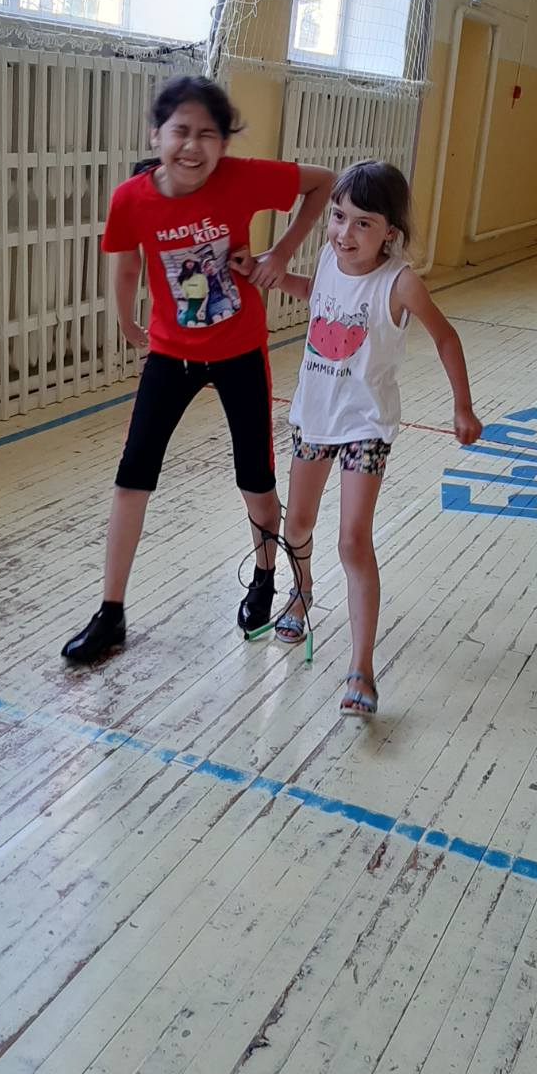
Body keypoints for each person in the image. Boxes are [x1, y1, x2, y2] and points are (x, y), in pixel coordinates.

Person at [62, 75, 334, 664]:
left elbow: (324, 183)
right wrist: (127, 323)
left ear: (224, 144)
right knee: (132, 475)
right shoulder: (131, 198)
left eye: (207, 134)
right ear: (156, 135)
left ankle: (265, 575)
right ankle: (111, 611)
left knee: (255, 476)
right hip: (171, 355)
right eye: (180, 131)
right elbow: (126, 265)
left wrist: (281, 253)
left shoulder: (242, 178)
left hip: (239, 350)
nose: (192, 146)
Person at [241, 160, 482, 716]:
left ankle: (361, 668)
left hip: (366, 426)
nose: (344, 233)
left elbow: (446, 338)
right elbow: (321, 296)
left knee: (352, 540)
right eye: (337, 216)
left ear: (390, 232)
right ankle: (301, 593)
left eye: (363, 223)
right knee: (297, 525)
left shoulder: (400, 283)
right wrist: (269, 275)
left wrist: (462, 406)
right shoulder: (330, 257)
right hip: (314, 416)